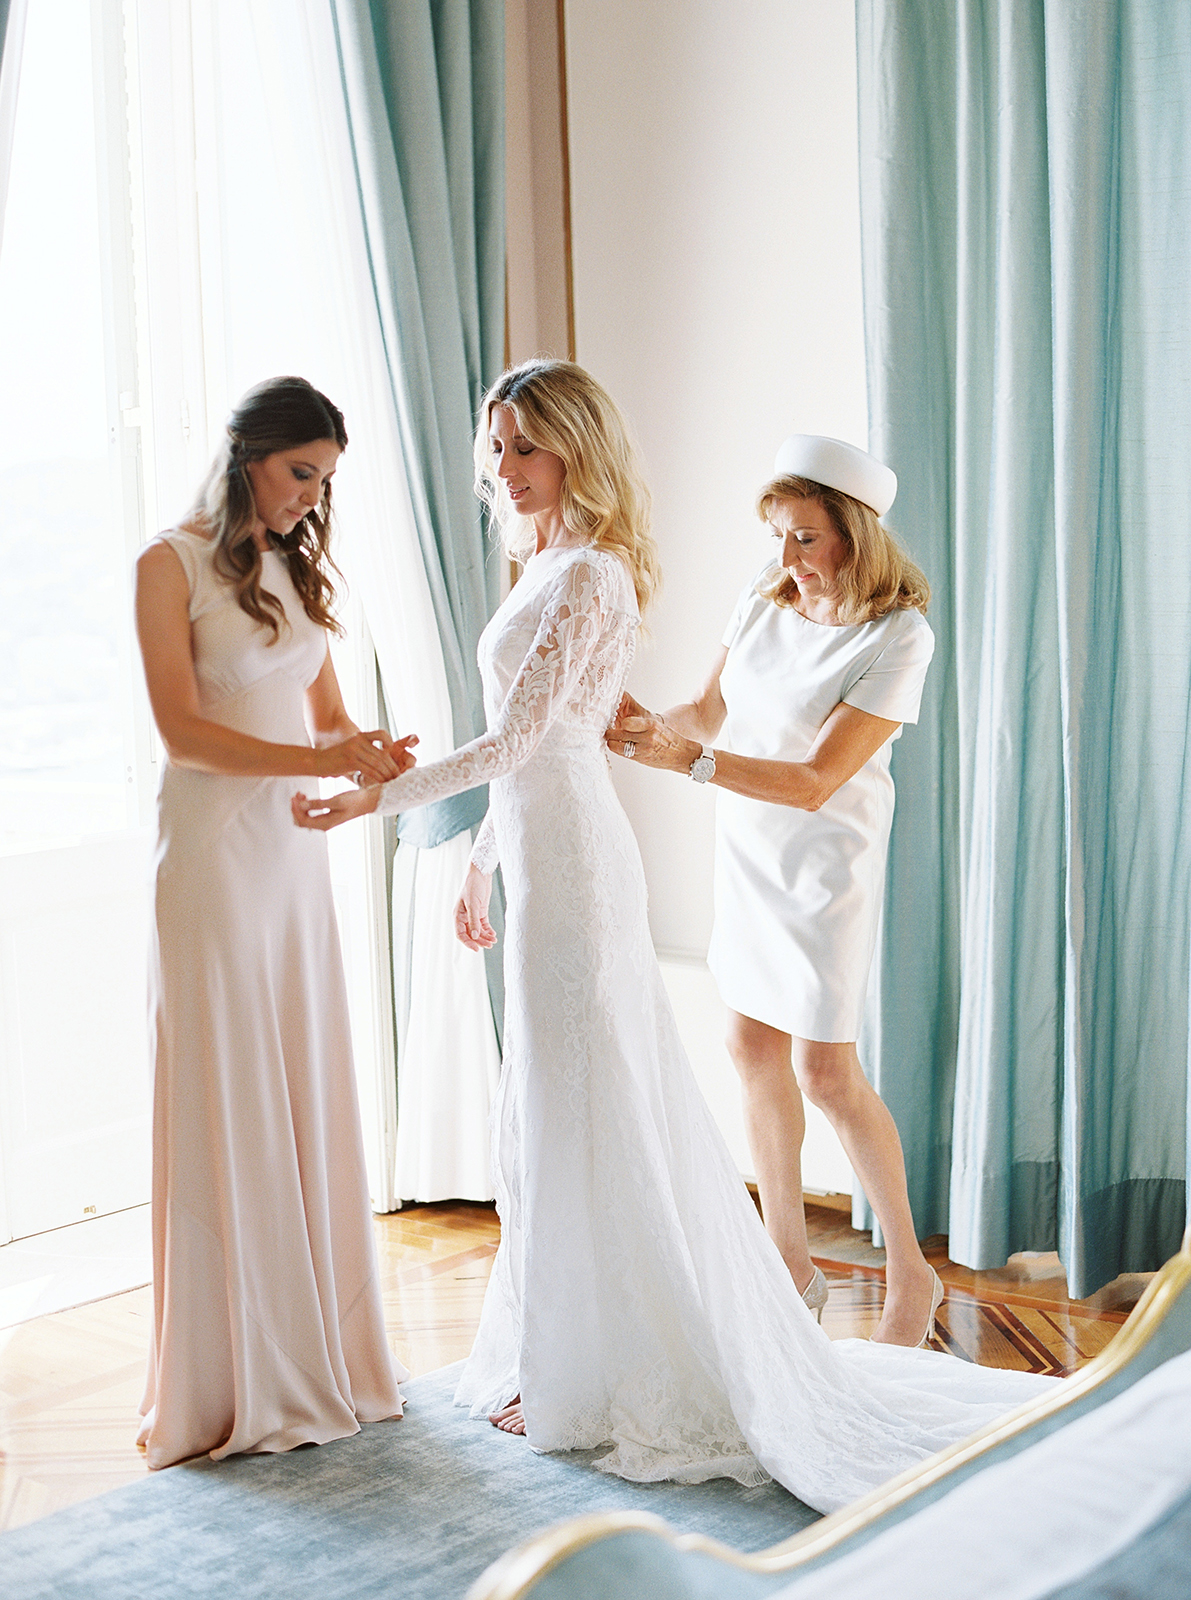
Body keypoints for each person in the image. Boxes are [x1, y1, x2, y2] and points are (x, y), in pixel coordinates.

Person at [294, 361, 1052, 1515]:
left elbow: (519, 745)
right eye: (494, 446)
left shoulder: (601, 575)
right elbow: (566, 736)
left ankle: (781, 1307)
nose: (501, 469)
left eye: (524, 448)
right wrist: (488, 859)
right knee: (572, 1097)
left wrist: (378, 804)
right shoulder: (564, 565)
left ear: (577, 452)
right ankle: (599, 1331)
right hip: (608, 848)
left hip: (762, 848)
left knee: (718, 1083)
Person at [606, 434, 941, 1346]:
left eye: (803, 538)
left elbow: (814, 780)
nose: (785, 558)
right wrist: (639, 725)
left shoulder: (897, 634)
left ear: (853, 537)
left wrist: (692, 761)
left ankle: (911, 1273)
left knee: (825, 1070)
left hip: (824, 861)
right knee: (748, 1046)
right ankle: (785, 1266)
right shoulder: (763, 597)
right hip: (747, 846)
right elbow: (705, 713)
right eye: (778, 536)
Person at [134, 376, 410, 1469]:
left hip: (290, 859)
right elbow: (183, 733)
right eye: (302, 472)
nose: (310, 498)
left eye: (326, 481)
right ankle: (225, 1373)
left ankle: (317, 1352)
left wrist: (369, 754)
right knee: (226, 1084)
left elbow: (331, 716)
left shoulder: (295, 568)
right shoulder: (169, 562)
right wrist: (316, 756)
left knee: (298, 1078)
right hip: (209, 856)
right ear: (248, 453)